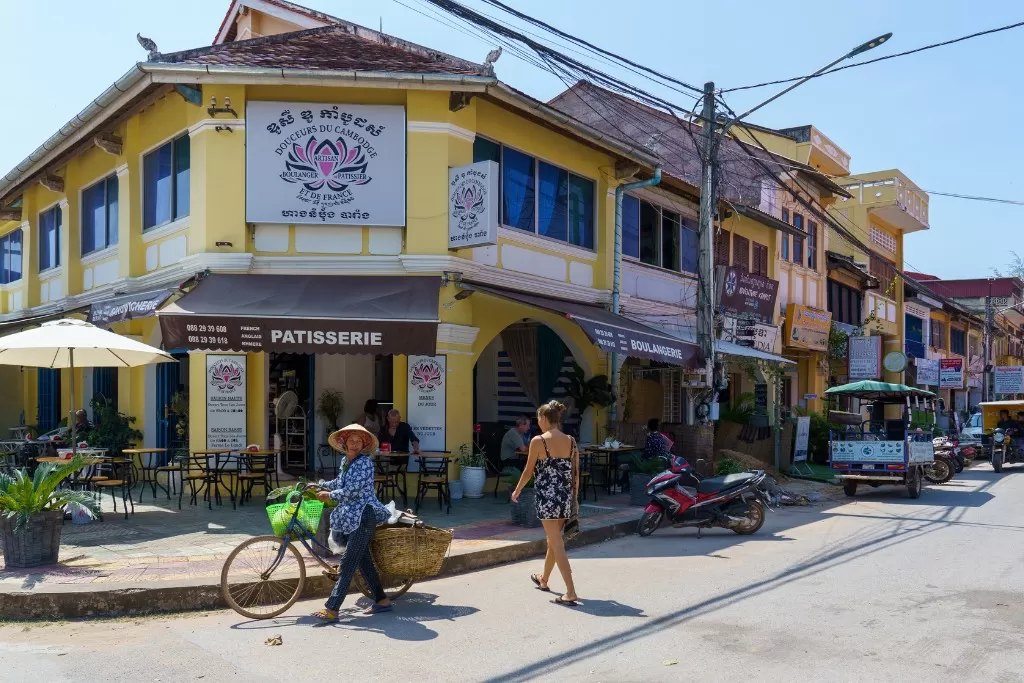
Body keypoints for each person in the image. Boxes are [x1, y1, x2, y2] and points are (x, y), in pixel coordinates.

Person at [311, 424, 392, 622]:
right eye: (351, 440)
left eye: (359, 441)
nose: (355, 444)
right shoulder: (346, 461)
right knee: (363, 561)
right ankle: (382, 600)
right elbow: (340, 482)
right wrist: (319, 485)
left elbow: (353, 491)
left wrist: (329, 495)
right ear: (344, 442)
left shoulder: (365, 463)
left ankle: (332, 609)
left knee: (347, 562)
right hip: (351, 517)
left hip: (365, 515)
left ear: (363, 444)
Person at [512, 400, 579, 606]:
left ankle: (570, 592)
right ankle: (544, 579)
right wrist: (574, 497)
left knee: (557, 544)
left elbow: (528, 471)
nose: (537, 421)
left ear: (544, 418)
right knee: (553, 540)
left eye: (538, 417)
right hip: (565, 497)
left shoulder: (538, 441)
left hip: (547, 499)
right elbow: (575, 473)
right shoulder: (570, 440)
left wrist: (517, 489)